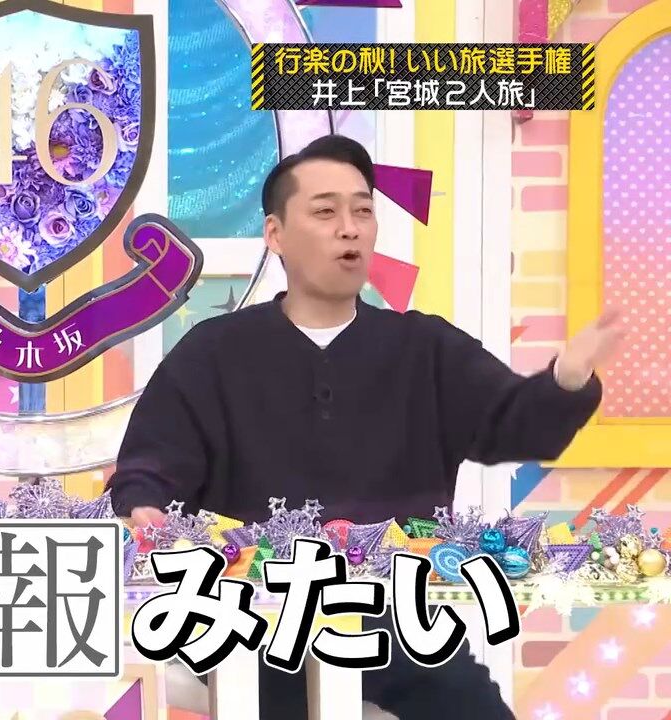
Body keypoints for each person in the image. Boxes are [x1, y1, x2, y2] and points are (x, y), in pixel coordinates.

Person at [107, 134, 624, 719]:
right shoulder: (214, 352)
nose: (349, 229)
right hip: (263, 620)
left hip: (400, 615)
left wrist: (567, 379)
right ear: (275, 234)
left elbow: (516, 425)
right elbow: (153, 464)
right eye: (325, 212)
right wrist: (144, 506)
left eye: (362, 211)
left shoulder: (425, 348)